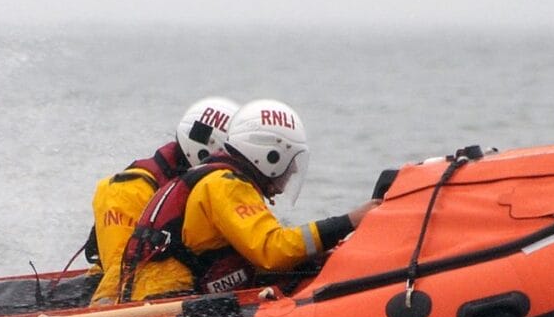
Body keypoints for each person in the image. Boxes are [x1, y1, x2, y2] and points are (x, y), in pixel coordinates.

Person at [119, 98, 379, 301]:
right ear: (270, 157)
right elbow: (271, 249)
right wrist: (349, 221)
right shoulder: (225, 185)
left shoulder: (214, 178)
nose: (294, 172)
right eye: (290, 165)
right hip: (167, 304)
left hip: (164, 298)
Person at [87, 97, 239, 305]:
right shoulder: (129, 189)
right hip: (116, 292)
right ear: (206, 149)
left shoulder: (202, 187)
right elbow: (122, 269)